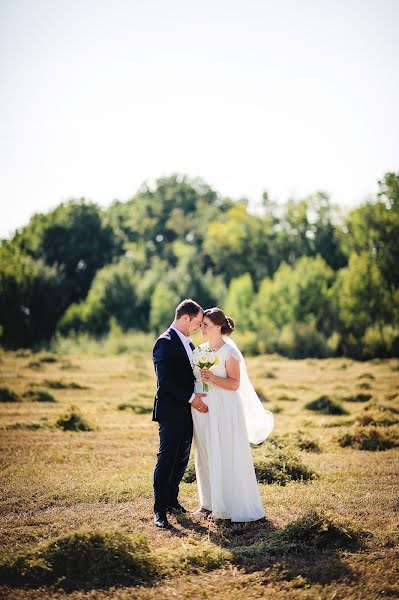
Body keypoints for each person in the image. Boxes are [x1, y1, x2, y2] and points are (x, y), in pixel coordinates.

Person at [192, 307, 274, 522]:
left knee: (224, 452)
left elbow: (235, 384)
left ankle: (224, 506)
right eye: (201, 325)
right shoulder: (200, 350)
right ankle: (207, 503)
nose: (202, 328)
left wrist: (212, 379)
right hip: (203, 409)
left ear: (218, 327)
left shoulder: (230, 353)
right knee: (205, 454)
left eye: (206, 325)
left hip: (225, 407)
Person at [152, 298, 208, 529]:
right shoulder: (164, 342)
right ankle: (159, 509)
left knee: (182, 459)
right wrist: (191, 398)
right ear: (186, 318)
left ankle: (173, 501)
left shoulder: (190, 344)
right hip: (171, 409)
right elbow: (165, 382)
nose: (198, 327)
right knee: (166, 458)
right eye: (197, 323)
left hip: (189, 412)